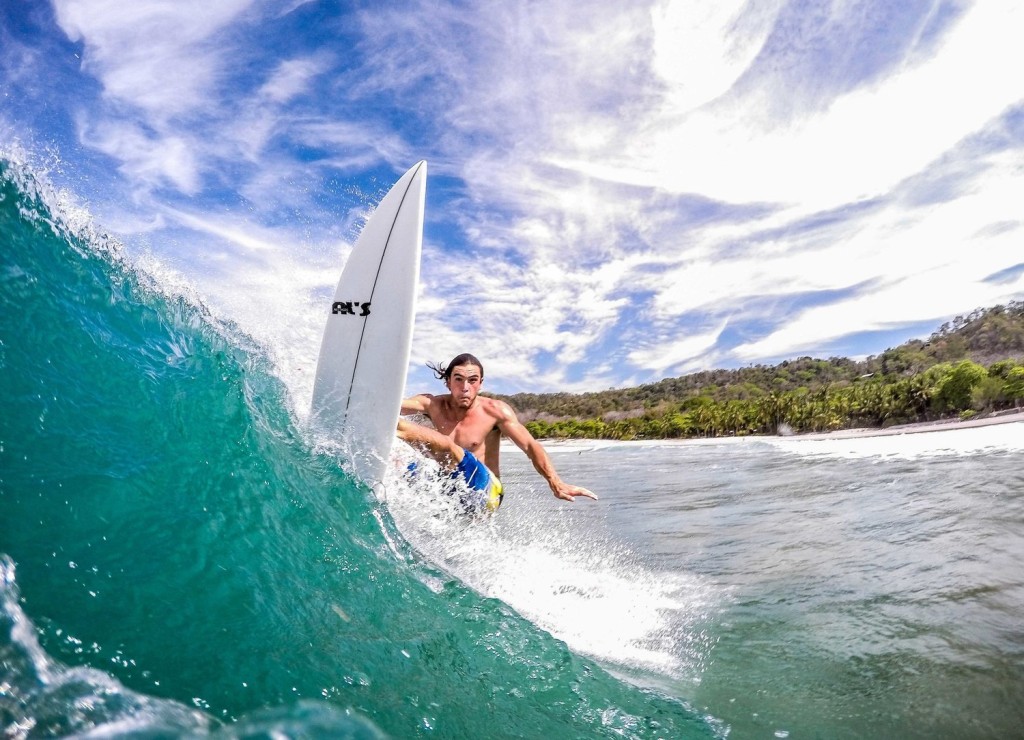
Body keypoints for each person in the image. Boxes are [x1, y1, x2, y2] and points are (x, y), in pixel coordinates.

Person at [397, 353, 598, 513]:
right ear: (448, 382)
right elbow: (396, 405)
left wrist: (556, 482)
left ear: (480, 384)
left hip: (487, 492)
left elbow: (530, 445)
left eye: (472, 380)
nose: (465, 387)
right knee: (402, 465)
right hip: (448, 487)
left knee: (448, 447)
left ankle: (398, 429)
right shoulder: (432, 404)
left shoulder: (495, 411)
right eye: (458, 379)